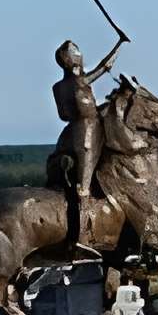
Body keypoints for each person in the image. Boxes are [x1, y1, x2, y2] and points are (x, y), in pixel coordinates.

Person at [50, 33, 126, 257]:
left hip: (68, 133)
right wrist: (119, 45)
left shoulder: (57, 87)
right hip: (88, 133)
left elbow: (63, 115)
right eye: (77, 53)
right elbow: (104, 67)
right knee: (83, 188)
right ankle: (82, 235)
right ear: (72, 59)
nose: (81, 56)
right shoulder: (80, 81)